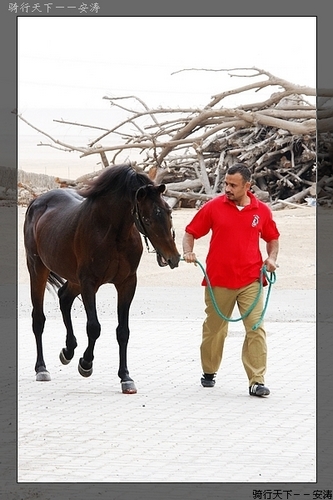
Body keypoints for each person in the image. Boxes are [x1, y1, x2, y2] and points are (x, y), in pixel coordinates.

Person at [182, 163, 280, 397]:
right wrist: (188, 251)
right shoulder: (214, 207)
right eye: (226, 183)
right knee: (215, 329)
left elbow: (272, 238)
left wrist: (272, 258)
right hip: (218, 280)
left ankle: (257, 380)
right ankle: (209, 370)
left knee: (256, 329)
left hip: (251, 281)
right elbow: (190, 232)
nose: (227, 188)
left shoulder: (262, 211)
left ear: (248, 186)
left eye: (233, 185)